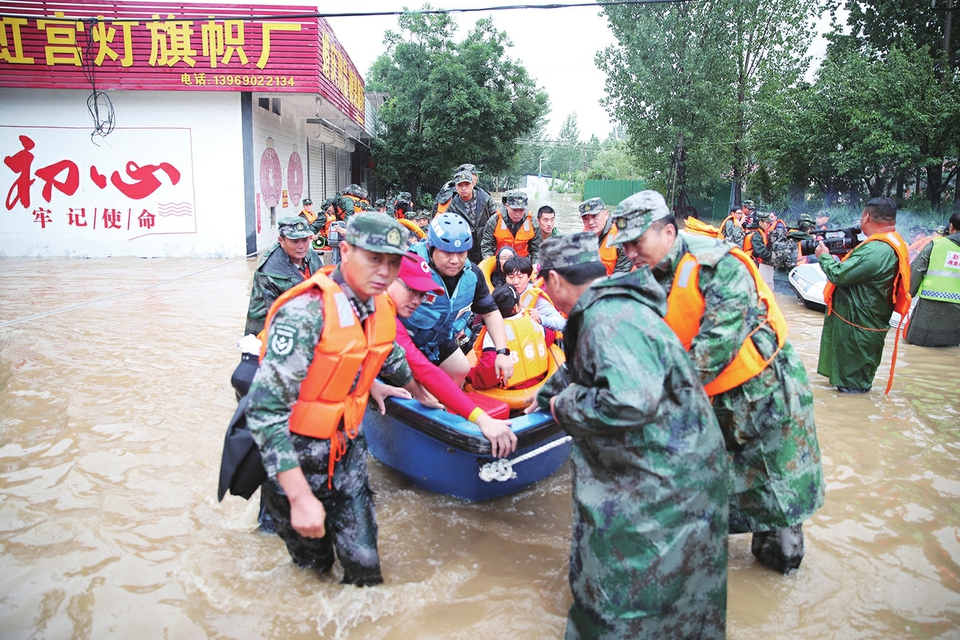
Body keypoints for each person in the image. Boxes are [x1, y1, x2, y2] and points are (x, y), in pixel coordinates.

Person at [614, 190, 824, 574]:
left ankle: (778, 590)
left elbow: (713, 350)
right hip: (706, 400)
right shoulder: (641, 276)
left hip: (763, 398)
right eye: (623, 245)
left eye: (636, 242)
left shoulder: (716, 265)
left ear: (666, 232)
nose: (629, 253)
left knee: (776, 503)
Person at [534, 231, 728, 638]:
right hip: (684, 474)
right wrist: (546, 393)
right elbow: (585, 369)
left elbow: (628, 401)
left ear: (553, 280)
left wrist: (561, 407)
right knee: (682, 603)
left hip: (660, 486)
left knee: (615, 597)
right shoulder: (612, 308)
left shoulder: (606, 320)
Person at [245, 213, 421, 587]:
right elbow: (263, 410)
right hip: (296, 462)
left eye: (393, 263)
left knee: (366, 572)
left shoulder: (378, 308)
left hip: (348, 456)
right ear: (344, 251)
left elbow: (393, 362)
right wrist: (299, 496)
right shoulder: (306, 313)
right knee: (314, 571)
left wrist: (428, 399)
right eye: (374, 258)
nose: (384, 272)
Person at [387, 253, 518, 455]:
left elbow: (423, 371)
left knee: (460, 368)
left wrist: (374, 386)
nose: (416, 301)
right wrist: (482, 419)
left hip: (431, 340)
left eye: (422, 295)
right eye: (411, 290)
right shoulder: (380, 314)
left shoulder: (388, 310)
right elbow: (422, 370)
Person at [401, 212, 515, 385]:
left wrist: (502, 352)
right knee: (413, 385)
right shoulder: (408, 265)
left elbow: (490, 312)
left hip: (438, 340)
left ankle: (443, 402)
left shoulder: (473, 275)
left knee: (460, 369)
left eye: (461, 253)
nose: (455, 260)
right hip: (404, 341)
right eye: (447, 253)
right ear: (431, 248)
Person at [816, 196, 911, 393]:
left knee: (852, 390)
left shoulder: (876, 249)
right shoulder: (889, 243)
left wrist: (824, 257)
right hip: (864, 326)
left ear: (866, 217)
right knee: (850, 385)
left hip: (857, 332)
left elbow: (839, 275)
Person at [466, 284, 555, 391]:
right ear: (516, 306)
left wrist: (468, 376)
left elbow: (488, 373)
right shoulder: (533, 321)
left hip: (512, 390)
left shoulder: (492, 333)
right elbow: (549, 337)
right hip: (540, 381)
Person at [245, 217, 324, 336]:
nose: (301, 246)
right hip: (269, 335)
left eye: (304, 239)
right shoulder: (269, 273)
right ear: (281, 241)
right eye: (295, 241)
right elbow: (282, 316)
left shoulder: (310, 254)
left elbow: (323, 283)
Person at [905, 212, 960, 347]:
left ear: (951, 227)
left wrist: (908, 294)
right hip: (957, 308)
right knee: (950, 347)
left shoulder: (935, 245)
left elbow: (917, 269)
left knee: (918, 343)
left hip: (930, 304)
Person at [446, 170, 499, 264]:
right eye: (460, 185)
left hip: (486, 244)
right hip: (465, 246)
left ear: (472, 184)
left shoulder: (486, 199)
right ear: (456, 187)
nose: (463, 188)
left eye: (466, 184)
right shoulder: (452, 206)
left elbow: (497, 219)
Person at [502, 255, 566, 332]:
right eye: (511, 277)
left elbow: (561, 322)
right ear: (505, 277)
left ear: (529, 277)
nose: (515, 282)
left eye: (520, 277)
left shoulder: (536, 297)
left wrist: (540, 319)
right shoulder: (502, 294)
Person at [481, 189, 541, 263]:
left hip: (522, 263)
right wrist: (488, 260)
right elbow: (487, 245)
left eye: (521, 210)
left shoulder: (532, 222)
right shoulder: (494, 221)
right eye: (514, 210)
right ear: (507, 206)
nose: (518, 214)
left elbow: (536, 249)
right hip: (500, 262)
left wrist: (535, 263)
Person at [578, 197, 631, 275]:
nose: (590, 222)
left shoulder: (621, 237)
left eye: (594, 216)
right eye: (586, 218)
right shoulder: (583, 237)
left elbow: (622, 274)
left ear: (606, 214)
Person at [770, 213, 818, 294]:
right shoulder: (808, 243)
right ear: (809, 230)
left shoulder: (787, 236)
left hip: (778, 276)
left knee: (780, 302)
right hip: (791, 279)